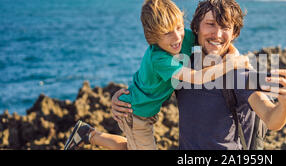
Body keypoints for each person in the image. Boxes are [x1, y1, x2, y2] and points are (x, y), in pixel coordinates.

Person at [63, 0, 250, 150]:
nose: (176, 37)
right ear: (153, 37)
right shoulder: (160, 59)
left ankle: (87, 134)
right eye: (167, 33)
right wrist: (231, 64)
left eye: (178, 27)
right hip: (134, 113)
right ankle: (90, 135)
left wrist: (234, 54)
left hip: (146, 109)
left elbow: (217, 42)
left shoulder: (184, 37)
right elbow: (198, 77)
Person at [112, 0, 286, 150]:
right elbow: (151, 82)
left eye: (226, 28)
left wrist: (285, 104)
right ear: (195, 29)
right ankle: (91, 135)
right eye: (210, 24)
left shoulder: (240, 73)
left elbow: (272, 120)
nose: (217, 34)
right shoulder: (185, 60)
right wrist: (122, 98)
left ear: (234, 33)